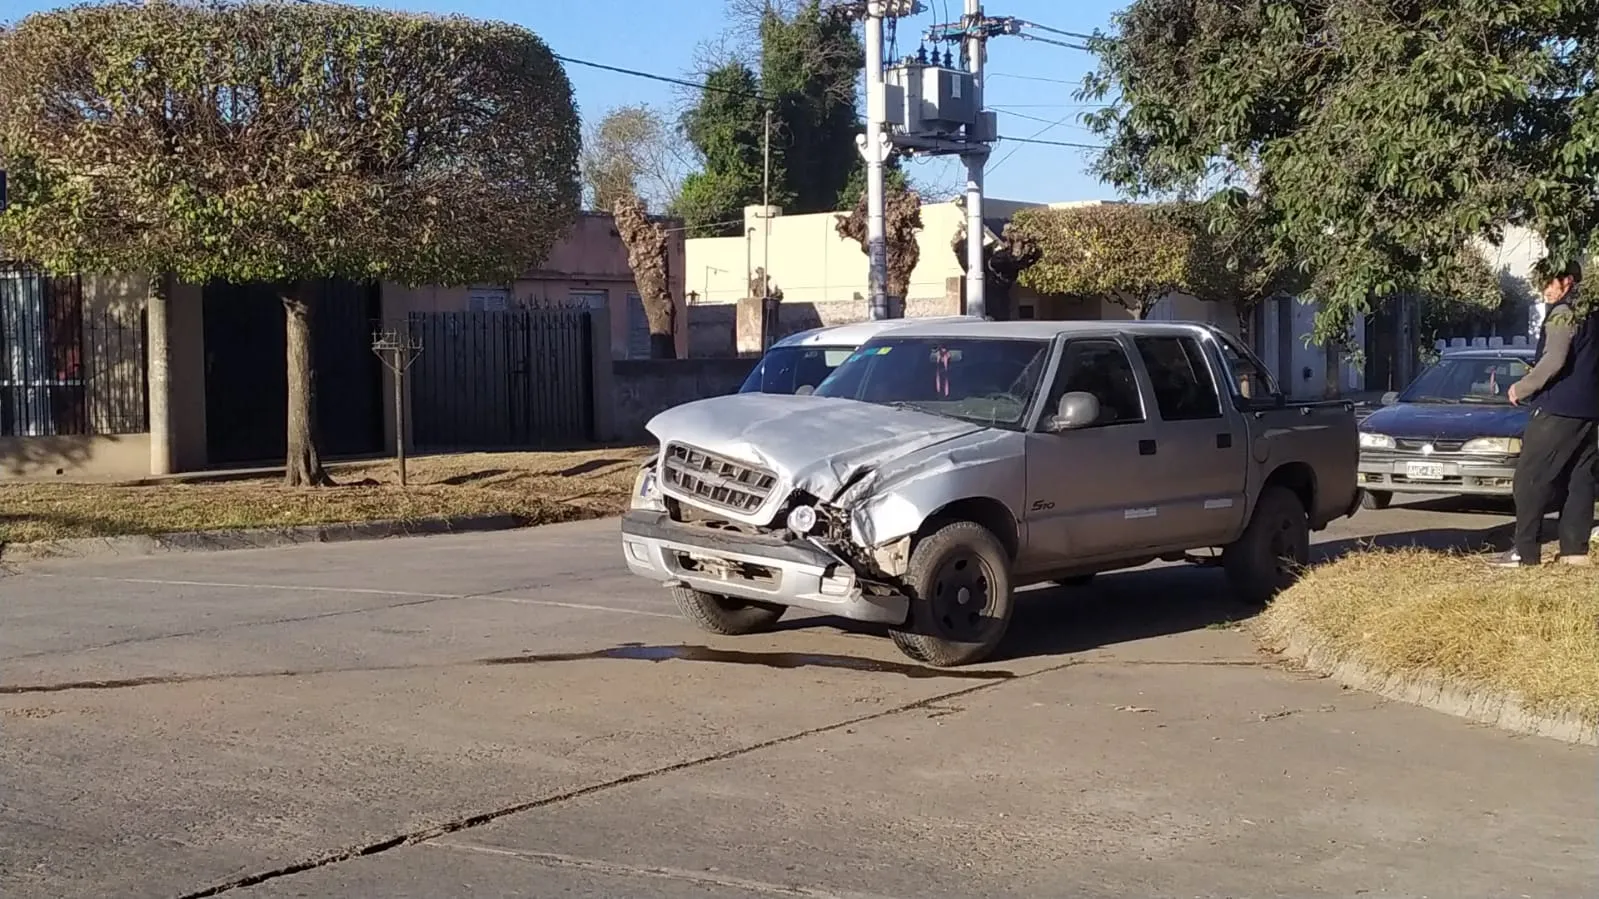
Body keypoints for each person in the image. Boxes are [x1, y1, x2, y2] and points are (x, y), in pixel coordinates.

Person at [1491, 260, 1598, 567]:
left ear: (1566, 281)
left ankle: (1524, 552)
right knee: (1579, 479)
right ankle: (1574, 553)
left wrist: (1522, 388)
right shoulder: (1593, 310)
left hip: (1557, 407)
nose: (1545, 291)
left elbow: (1554, 360)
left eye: (1549, 283)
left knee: (1529, 478)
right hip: (1589, 410)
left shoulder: (1564, 313)